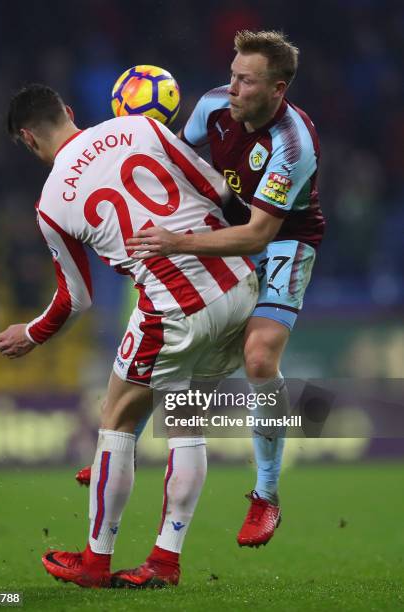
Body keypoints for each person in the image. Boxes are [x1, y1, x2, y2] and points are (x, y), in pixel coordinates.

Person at [0, 84, 258, 588]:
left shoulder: (51, 203)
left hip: (173, 306)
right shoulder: (142, 125)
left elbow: (75, 300)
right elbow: (221, 195)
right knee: (185, 421)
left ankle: (95, 563)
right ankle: (164, 558)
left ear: (28, 139)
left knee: (116, 418)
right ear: (69, 113)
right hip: (238, 285)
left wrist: (31, 333)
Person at [126, 30, 325, 548]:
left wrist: (177, 240)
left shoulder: (293, 142)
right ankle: (118, 441)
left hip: (284, 239)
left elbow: (261, 233)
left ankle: (266, 495)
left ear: (277, 89)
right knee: (180, 327)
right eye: (232, 75)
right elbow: (179, 162)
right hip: (221, 224)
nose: (231, 88)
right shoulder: (212, 106)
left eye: (246, 81)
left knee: (259, 357)